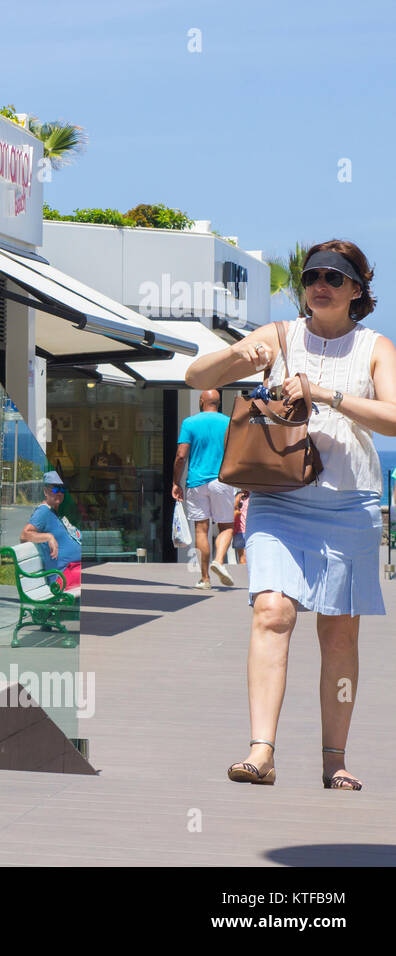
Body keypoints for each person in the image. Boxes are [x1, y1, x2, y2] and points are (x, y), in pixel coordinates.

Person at [186, 239, 396, 790]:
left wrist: (324, 394)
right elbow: (194, 375)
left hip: (350, 505)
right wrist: (238, 358)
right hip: (278, 499)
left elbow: (394, 419)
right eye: (311, 277)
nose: (319, 284)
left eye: (333, 276)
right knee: (272, 612)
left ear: (357, 290)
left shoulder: (374, 346)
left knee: (340, 637)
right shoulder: (278, 336)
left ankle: (334, 759)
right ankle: (261, 751)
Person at [172, 389, 237, 589]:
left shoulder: (189, 423)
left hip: (196, 482)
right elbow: (237, 453)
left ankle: (205, 578)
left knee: (202, 529)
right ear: (218, 402)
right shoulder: (229, 423)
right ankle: (219, 559)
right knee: (226, 526)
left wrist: (176, 482)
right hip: (222, 480)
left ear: (201, 401)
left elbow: (181, 456)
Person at [20, 471, 83, 590]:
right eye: (55, 490)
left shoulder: (55, 512)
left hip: (74, 568)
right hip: (62, 576)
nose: (59, 493)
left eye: (62, 490)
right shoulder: (43, 511)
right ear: (45, 491)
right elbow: (24, 534)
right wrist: (49, 537)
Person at [231, 489, 250, 565]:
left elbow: (234, 507)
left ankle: (245, 575)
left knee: (242, 558)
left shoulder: (240, 496)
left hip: (240, 531)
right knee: (245, 558)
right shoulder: (255, 497)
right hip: (244, 531)